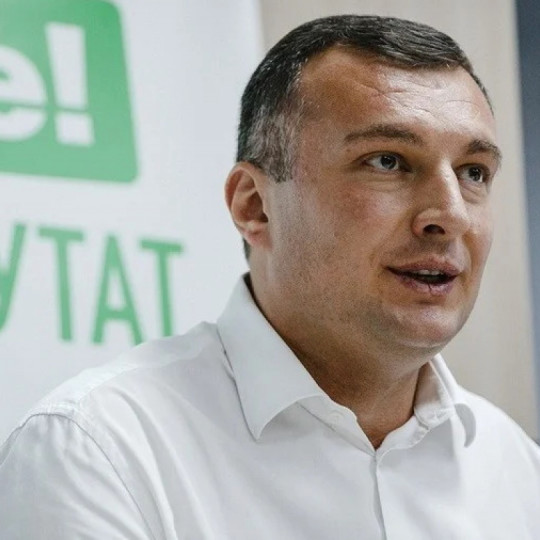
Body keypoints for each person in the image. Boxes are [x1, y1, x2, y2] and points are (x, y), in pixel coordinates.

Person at [1, 14, 539, 540]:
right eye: (387, 162)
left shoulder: (519, 470)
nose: (451, 215)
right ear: (255, 206)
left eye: (473, 172)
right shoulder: (99, 451)